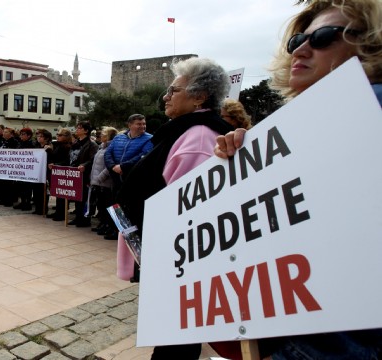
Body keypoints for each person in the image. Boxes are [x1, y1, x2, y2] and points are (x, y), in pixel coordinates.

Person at [213, 1, 382, 359]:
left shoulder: (369, 111)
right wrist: (245, 169)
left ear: (371, 43)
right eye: (296, 41)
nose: (301, 49)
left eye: (323, 37)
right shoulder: (309, 129)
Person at [114, 57, 233, 359]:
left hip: (177, 262)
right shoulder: (183, 131)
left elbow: (185, 214)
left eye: (172, 90)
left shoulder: (197, 137)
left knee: (175, 337)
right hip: (169, 257)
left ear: (199, 96)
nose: (165, 96)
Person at [104, 114, 153, 194]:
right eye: (139, 124)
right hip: (115, 177)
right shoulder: (118, 137)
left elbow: (143, 155)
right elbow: (108, 153)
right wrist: (112, 167)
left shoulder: (150, 139)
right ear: (130, 125)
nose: (143, 126)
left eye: (144, 124)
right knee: (115, 204)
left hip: (134, 179)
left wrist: (123, 167)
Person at [89, 126, 119, 239]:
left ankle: (110, 226)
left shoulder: (112, 148)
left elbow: (108, 166)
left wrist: (99, 178)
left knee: (108, 206)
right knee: (101, 206)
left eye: (103, 134)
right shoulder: (101, 148)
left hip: (106, 182)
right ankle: (103, 224)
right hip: (98, 182)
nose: (100, 136)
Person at [68, 121, 98, 227]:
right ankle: (78, 217)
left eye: (80, 128)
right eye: (77, 127)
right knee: (77, 197)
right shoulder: (76, 143)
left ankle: (85, 220)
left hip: (85, 175)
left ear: (86, 131)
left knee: (85, 199)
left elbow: (93, 159)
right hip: (75, 174)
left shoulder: (92, 144)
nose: (77, 129)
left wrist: (84, 165)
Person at [46, 128, 73, 221]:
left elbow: (64, 159)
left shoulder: (67, 147)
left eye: (60, 135)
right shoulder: (58, 145)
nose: (58, 136)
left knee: (62, 194)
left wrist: (49, 151)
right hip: (57, 170)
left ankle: (61, 213)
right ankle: (58, 211)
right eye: (57, 134)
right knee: (58, 193)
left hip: (63, 171)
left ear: (66, 137)